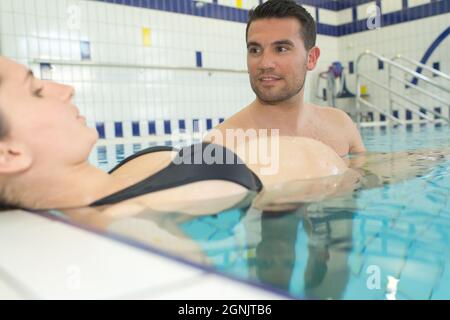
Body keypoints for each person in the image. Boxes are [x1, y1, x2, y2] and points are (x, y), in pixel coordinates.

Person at [0, 56, 350, 212]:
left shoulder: (108, 181)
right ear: (8, 154)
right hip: (341, 189)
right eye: (35, 91)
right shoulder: (133, 220)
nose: (65, 89)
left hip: (348, 170)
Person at [209, 0, 366, 157]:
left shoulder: (340, 125)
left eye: (281, 49)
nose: (265, 64)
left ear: (311, 58)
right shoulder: (222, 144)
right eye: (255, 50)